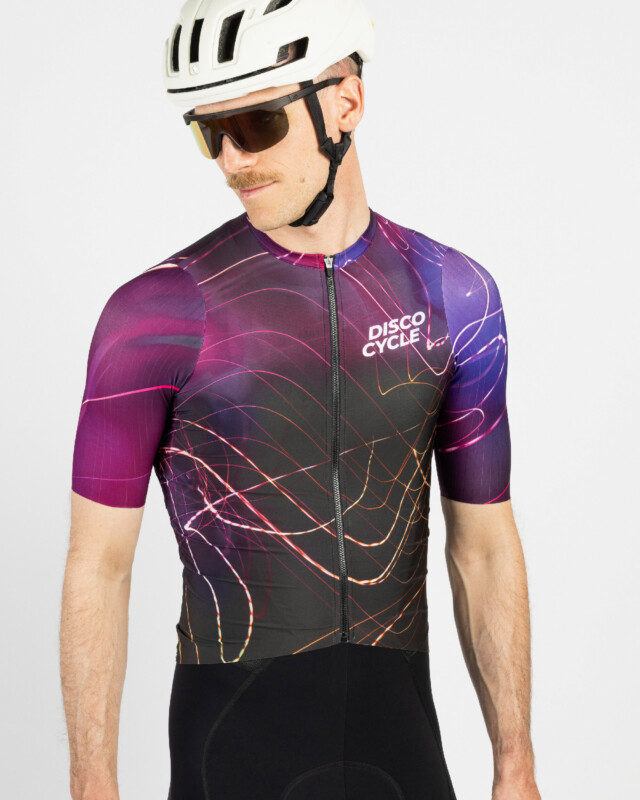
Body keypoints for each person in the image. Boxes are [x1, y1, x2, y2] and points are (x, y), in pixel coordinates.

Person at [60, 1, 541, 798]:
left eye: (256, 124)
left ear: (345, 103)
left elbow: (485, 546)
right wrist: (91, 785)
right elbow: (98, 567)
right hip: (232, 750)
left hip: (401, 754)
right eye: (209, 132)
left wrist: (516, 765)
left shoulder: (454, 294)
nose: (231, 160)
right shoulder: (154, 316)